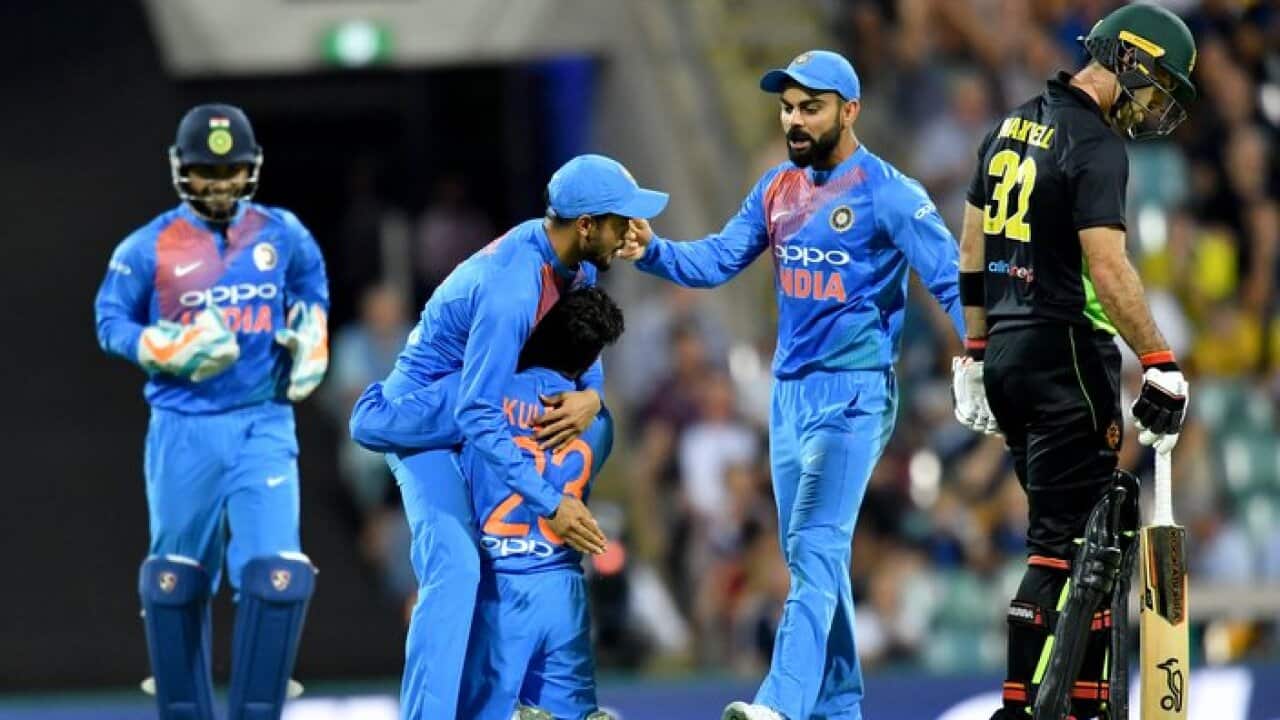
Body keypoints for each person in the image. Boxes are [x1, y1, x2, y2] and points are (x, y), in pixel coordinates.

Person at [620, 50, 964, 720]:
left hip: (854, 392)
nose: (795, 120)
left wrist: (979, 357)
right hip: (789, 398)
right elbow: (719, 257)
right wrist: (654, 249)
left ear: (850, 110)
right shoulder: (777, 188)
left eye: (811, 107)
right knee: (818, 562)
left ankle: (781, 703)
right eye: (788, 107)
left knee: (812, 547)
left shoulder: (889, 192)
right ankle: (838, 710)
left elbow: (951, 281)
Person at [352, 154, 667, 719]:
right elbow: (475, 413)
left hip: (481, 405)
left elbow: (582, 366)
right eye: (622, 220)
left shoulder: (579, 265)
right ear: (587, 225)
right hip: (429, 424)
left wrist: (594, 396)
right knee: (457, 564)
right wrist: (553, 502)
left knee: (497, 564)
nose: (632, 233)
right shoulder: (513, 290)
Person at [949, 4, 1196, 718]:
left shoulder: (1006, 127)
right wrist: (1159, 360)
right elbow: (1109, 268)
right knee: (1066, 547)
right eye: (1156, 88)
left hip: (1007, 354)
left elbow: (971, 248)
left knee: (1093, 539)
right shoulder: (1094, 142)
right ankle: (1018, 708)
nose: (1153, 107)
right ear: (1133, 63)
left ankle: (1084, 704)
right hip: (1066, 355)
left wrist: (973, 350)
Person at [94, 103, 329, 720]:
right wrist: (158, 346)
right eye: (204, 172)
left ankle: (259, 707)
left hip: (264, 420)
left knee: (277, 574)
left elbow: (311, 287)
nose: (219, 184)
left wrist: (312, 336)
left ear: (251, 169)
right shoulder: (148, 247)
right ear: (180, 170)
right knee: (175, 580)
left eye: (231, 171)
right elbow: (109, 319)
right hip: (183, 427)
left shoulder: (284, 235)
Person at [353, 287, 624, 720]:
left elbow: (371, 425)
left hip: (499, 592)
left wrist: (400, 378)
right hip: (564, 595)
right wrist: (592, 393)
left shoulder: (479, 394)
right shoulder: (600, 425)